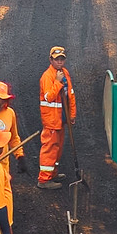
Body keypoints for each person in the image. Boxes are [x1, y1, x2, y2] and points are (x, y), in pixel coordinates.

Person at [37, 46, 76, 187]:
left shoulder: (65, 72)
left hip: (61, 118)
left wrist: (72, 115)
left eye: (62, 59)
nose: (59, 62)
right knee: (50, 148)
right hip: (51, 120)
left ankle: (53, 172)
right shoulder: (47, 76)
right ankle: (44, 179)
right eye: (56, 59)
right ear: (51, 59)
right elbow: (49, 97)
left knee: (58, 148)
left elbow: (70, 95)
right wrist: (58, 82)